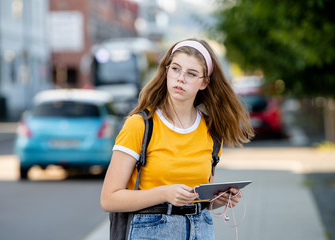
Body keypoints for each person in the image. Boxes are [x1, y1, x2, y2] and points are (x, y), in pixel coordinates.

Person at [100, 38, 254, 239]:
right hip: (151, 231)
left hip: (201, 230)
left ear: (204, 82)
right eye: (175, 69)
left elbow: (200, 197)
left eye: (191, 73)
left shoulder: (211, 131)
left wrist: (218, 199)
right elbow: (109, 199)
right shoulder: (140, 125)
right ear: (166, 71)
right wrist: (164, 193)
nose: (181, 78)